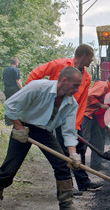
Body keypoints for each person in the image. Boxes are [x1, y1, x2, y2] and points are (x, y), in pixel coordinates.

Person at [0, 66, 89, 210]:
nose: (77, 89)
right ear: (64, 80)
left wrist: (73, 155)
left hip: (44, 131)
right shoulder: (38, 87)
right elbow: (9, 105)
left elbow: (69, 132)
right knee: (10, 167)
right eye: (76, 85)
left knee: (63, 165)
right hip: (23, 126)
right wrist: (18, 128)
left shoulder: (71, 104)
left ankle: (66, 205)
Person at [26, 44, 101, 193]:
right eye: (91, 57)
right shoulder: (60, 65)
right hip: (51, 113)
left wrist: (76, 123)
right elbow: (34, 75)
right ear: (84, 56)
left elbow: (82, 102)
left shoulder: (86, 77)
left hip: (69, 116)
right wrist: (37, 99)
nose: (92, 61)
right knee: (62, 151)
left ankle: (83, 182)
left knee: (77, 148)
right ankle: (67, 186)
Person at [81, 72, 110, 170]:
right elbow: (90, 96)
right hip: (86, 114)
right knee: (84, 139)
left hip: (93, 116)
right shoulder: (102, 85)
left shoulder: (108, 90)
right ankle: (79, 166)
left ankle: (96, 164)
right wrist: (101, 105)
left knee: (98, 140)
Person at [2, 57, 23, 125]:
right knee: (15, 105)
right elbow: (18, 81)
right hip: (14, 89)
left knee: (8, 104)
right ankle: (15, 121)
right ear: (16, 62)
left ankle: (7, 122)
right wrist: (22, 89)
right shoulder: (16, 70)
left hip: (7, 88)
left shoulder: (5, 70)